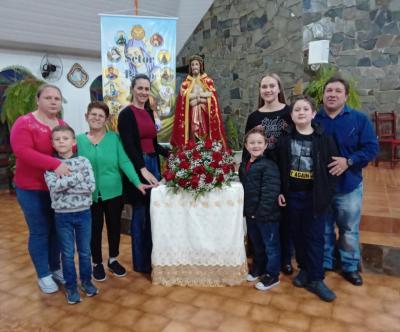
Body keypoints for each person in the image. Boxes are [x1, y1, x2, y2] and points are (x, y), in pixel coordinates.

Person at [315, 76, 379, 286]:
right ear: (323, 95)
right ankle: (325, 263)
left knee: (349, 229)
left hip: (348, 186)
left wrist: (349, 161)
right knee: (323, 227)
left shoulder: (359, 119)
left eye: (337, 91)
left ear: (346, 96)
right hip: (322, 186)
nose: (332, 94)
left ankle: (350, 266)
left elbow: (371, 148)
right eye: (329, 91)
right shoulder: (315, 120)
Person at [77, 101, 150, 281]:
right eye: (93, 114)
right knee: (94, 230)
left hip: (114, 192)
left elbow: (124, 162)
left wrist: (137, 182)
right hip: (89, 194)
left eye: (101, 116)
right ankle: (97, 263)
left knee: (114, 227)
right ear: (86, 117)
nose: (96, 118)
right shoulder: (77, 140)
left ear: (106, 120)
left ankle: (113, 259)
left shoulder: (114, 139)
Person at [277, 96, 338, 302]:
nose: (301, 112)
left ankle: (316, 278)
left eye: (305, 109)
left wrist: (326, 194)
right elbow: (278, 168)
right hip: (293, 195)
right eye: (296, 110)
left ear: (313, 114)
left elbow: (331, 170)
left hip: (315, 198)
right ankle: (303, 269)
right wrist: (281, 192)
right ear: (292, 116)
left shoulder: (323, 139)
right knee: (297, 235)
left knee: (315, 237)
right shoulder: (284, 139)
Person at [10, 84, 69, 294]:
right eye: (48, 97)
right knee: (40, 231)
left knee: (56, 230)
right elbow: (22, 151)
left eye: (57, 98)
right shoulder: (25, 123)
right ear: (38, 100)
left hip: (57, 190)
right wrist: (55, 165)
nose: (53, 101)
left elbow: (71, 148)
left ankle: (55, 267)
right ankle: (43, 273)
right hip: (31, 188)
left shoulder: (61, 124)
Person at [118, 74, 170, 273]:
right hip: (138, 165)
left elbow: (153, 144)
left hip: (153, 163)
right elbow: (129, 146)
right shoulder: (126, 114)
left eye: (147, 89)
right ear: (132, 89)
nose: (143, 92)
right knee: (140, 214)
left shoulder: (148, 112)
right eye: (140, 88)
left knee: (153, 212)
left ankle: (153, 256)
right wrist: (142, 169)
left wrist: (171, 154)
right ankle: (141, 263)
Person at [244, 73, 293, 275]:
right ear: (260, 90)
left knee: (283, 216)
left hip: (285, 169)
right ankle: (260, 259)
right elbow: (247, 147)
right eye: (264, 86)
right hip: (261, 172)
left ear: (279, 88)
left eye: (272, 86)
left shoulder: (289, 113)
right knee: (262, 217)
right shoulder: (254, 117)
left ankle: (285, 259)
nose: (268, 90)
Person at [45, 125, 97, 304]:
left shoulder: (83, 161)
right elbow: (54, 188)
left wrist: (66, 182)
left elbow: (90, 187)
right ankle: (71, 286)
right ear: (52, 143)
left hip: (83, 213)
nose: (61, 141)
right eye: (57, 139)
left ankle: (87, 282)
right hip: (62, 216)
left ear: (73, 142)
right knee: (67, 254)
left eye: (65, 138)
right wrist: (77, 178)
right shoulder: (50, 165)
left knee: (84, 252)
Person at [239, 126, 281, 291]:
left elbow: (270, 192)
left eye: (259, 143)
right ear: (246, 145)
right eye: (252, 142)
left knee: (271, 246)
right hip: (251, 214)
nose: (255, 145)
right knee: (257, 244)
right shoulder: (245, 165)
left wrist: (260, 213)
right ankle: (259, 267)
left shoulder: (268, 165)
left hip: (266, 215)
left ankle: (272, 274)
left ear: (265, 146)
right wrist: (249, 213)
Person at [170, 54, 227, 147]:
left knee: (204, 130)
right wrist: (200, 97)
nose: (194, 67)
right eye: (192, 65)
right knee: (194, 130)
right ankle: (194, 149)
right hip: (192, 113)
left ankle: (205, 148)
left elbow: (212, 96)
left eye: (196, 64)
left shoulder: (208, 81)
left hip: (205, 113)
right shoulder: (185, 83)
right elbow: (183, 99)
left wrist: (197, 99)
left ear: (200, 66)